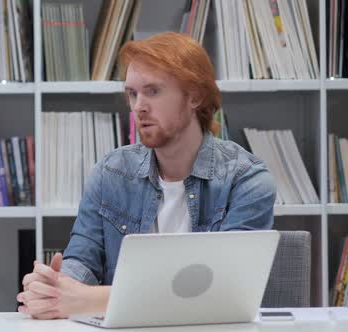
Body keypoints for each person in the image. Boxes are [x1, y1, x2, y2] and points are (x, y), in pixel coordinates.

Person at [17, 32, 276, 319]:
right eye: (132, 93)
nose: (139, 106)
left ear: (195, 96)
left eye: (153, 91)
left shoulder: (247, 180)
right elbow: (82, 260)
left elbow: (222, 294)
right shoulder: (110, 173)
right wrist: (53, 288)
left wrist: (88, 299)